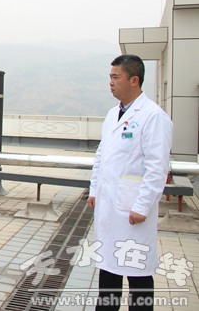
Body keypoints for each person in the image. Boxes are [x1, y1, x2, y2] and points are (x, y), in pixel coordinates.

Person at [88, 54, 173, 311]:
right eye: (110, 77)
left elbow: (157, 167)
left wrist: (142, 206)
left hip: (132, 210)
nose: (111, 83)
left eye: (116, 77)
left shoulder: (153, 116)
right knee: (108, 269)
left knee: (137, 274)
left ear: (134, 80)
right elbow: (102, 156)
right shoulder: (112, 114)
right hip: (109, 206)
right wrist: (94, 190)